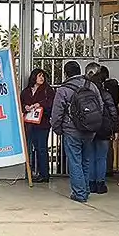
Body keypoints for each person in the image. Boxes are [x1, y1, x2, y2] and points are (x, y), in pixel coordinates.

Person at [50, 61, 104, 203]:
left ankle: (79, 193)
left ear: (66, 73)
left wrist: (57, 129)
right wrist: (93, 124)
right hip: (90, 130)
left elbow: (57, 112)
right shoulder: (91, 86)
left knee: (75, 162)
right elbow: (100, 106)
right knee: (86, 160)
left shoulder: (63, 89)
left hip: (71, 130)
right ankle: (85, 189)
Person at [85, 62, 119, 194]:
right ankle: (100, 184)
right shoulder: (106, 94)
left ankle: (91, 183)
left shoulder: (85, 93)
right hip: (104, 129)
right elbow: (113, 112)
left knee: (90, 156)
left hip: (88, 129)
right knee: (101, 157)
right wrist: (115, 129)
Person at [20, 68, 54, 183]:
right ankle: (31, 172)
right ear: (34, 77)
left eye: (43, 76)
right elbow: (20, 102)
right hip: (29, 123)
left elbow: (51, 103)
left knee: (42, 148)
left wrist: (39, 104)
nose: (41, 78)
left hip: (42, 124)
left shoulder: (47, 90)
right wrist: (25, 107)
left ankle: (44, 174)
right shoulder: (26, 91)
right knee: (30, 148)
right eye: (39, 76)